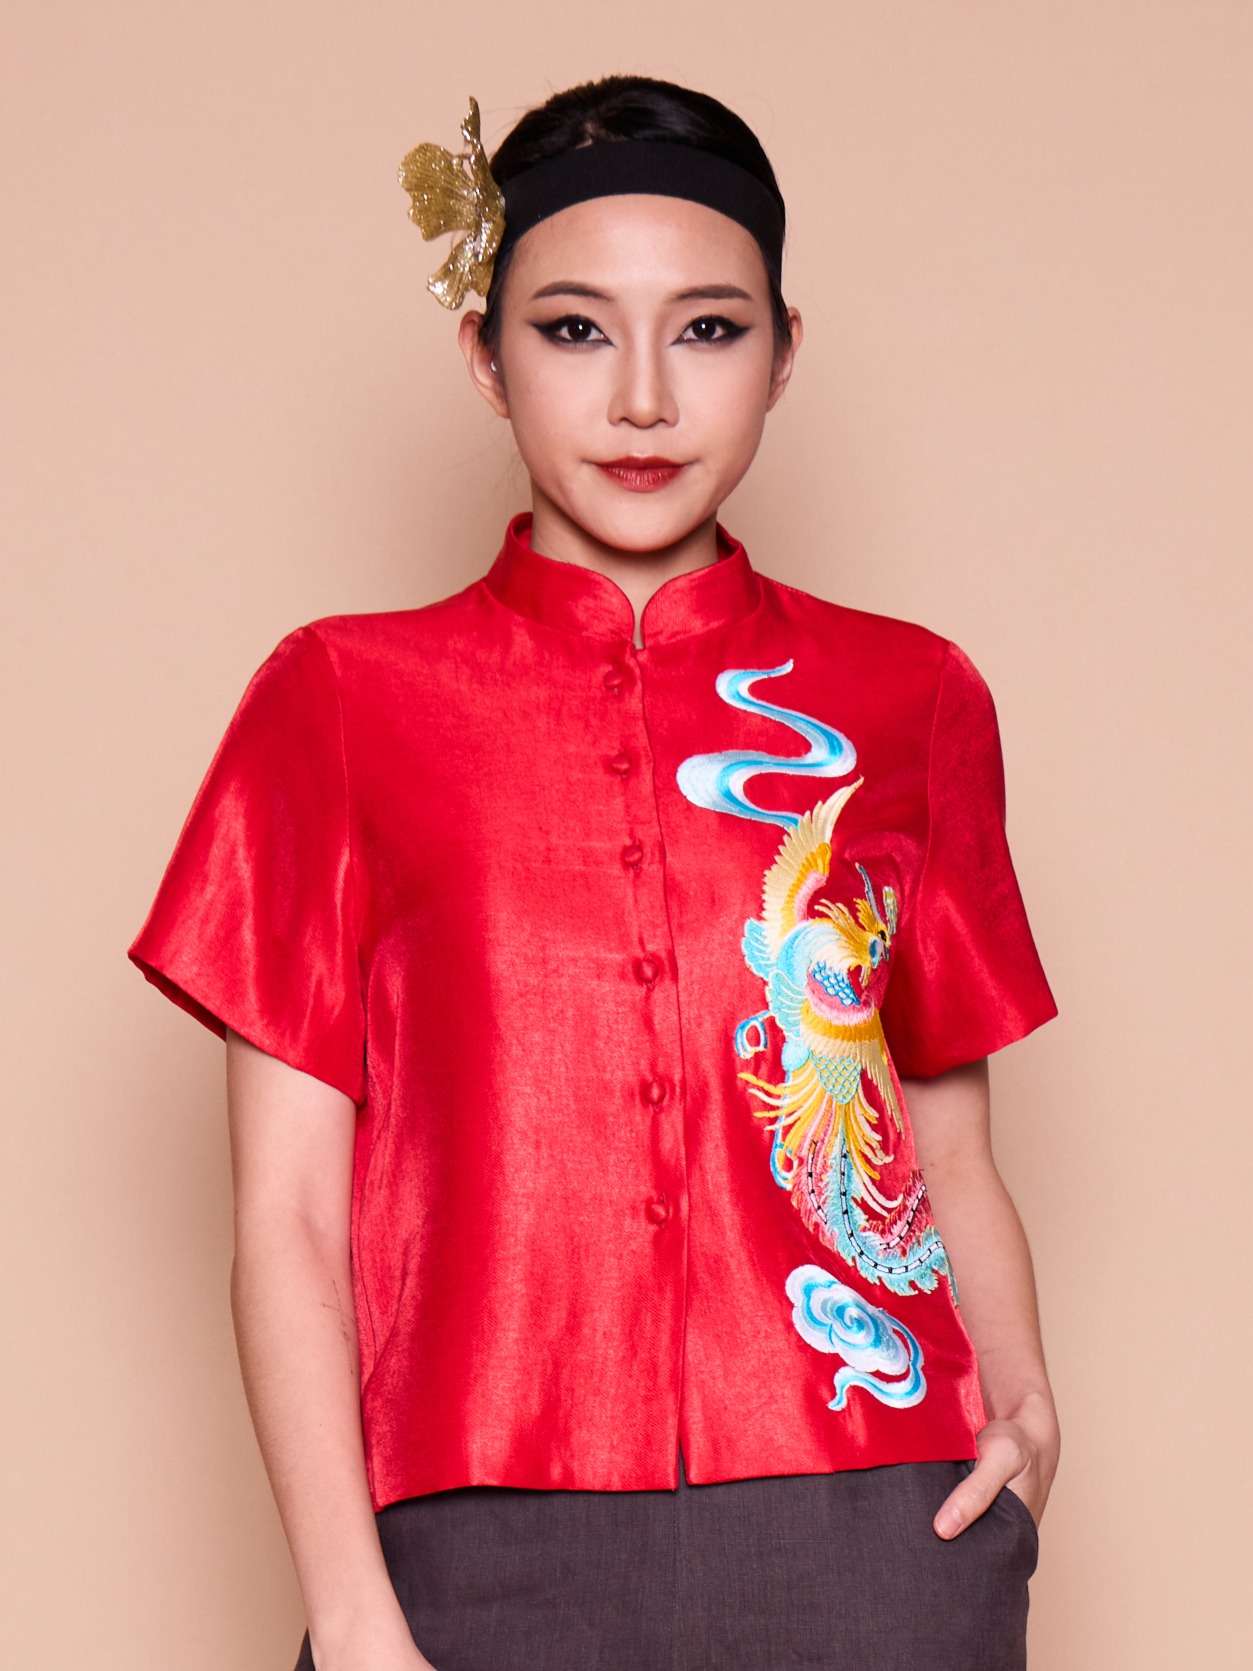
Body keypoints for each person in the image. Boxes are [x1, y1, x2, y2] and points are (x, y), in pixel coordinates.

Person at [128, 74, 1060, 1671]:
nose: (642, 399)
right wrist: (352, 1612)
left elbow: (946, 1143)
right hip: (471, 1537)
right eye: (572, 330)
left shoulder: (909, 697)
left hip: (876, 1521)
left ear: (782, 351)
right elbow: (285, 1215)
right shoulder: (338, 702)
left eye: (707, 330)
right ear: (484, 356)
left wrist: (1026, 1406)